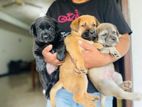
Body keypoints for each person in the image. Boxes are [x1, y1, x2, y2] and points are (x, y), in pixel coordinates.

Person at [39, 0, 132, 107]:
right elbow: (43, 41)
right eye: (84, 26)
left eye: (93, 25)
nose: (91, 29)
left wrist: (102, 59)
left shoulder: (106, 3)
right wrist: (47, 56)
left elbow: (124, 39)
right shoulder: (56, 6)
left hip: (99, 91)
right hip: (62, 90)